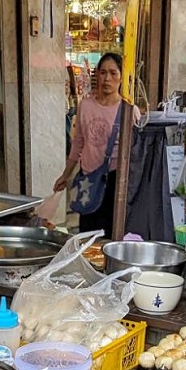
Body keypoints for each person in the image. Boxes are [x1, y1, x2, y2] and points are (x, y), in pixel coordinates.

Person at [53, 52, 135, 239]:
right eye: (103, 72)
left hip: (115, 182)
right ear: (96, 74)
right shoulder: (86, 106)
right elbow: (78, 144)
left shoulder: (129, 111)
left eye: (113, 73)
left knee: (110, 236)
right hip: (88, 181)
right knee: (87, 235)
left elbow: (135, 152)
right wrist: (65, 175)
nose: (107, 78)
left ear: (121, 76)